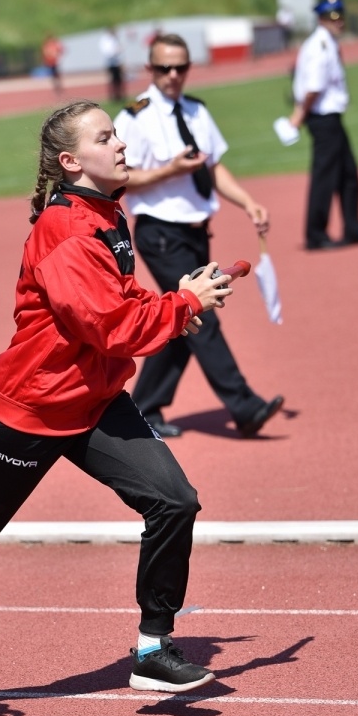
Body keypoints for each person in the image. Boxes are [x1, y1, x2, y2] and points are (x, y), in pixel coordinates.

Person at [0, 100, 233, 706]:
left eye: (118, 135)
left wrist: (171, 308)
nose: (122, 144)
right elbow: (106, 324)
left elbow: (121, 301)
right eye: (107, 137)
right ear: (71, 160)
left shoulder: (106, 212)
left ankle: (154, 648)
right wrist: (181, 306)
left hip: (97, 400)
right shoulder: (66, 229)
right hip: (34, 409)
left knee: (174, 501)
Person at [113, 33, 283, 439]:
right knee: (200, 314)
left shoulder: (197, 111)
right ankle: (244, 406)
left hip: (196, 232)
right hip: (159, 231)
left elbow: (215, 167)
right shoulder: (134, 117)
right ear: (149, 70)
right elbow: (120, 178)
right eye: (163, 68)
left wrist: (248, 202)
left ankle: (144, 409)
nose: (173, 75)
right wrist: (166, 172)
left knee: (180, 318)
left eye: (180, 67)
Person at [289, 0, 358, 251]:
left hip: (331, 117)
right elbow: (313, 88)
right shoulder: (319, 46)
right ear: (321, 19)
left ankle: (353, 228)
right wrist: (299, 116)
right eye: (332, 17)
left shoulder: (327, 43)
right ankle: (316, 234)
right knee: (325, 177)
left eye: (340, 16)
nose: (339, 22)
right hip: (322, 118)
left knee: (348, 175)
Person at [99, 26, 125, 102]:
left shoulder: (115, 39)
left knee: (119, 79)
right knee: (112, 79)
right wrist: (116, 50)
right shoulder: (105, 40)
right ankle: (113, 96)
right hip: (110, 63)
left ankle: (119, 95)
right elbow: (108, 52)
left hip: (117, 62)